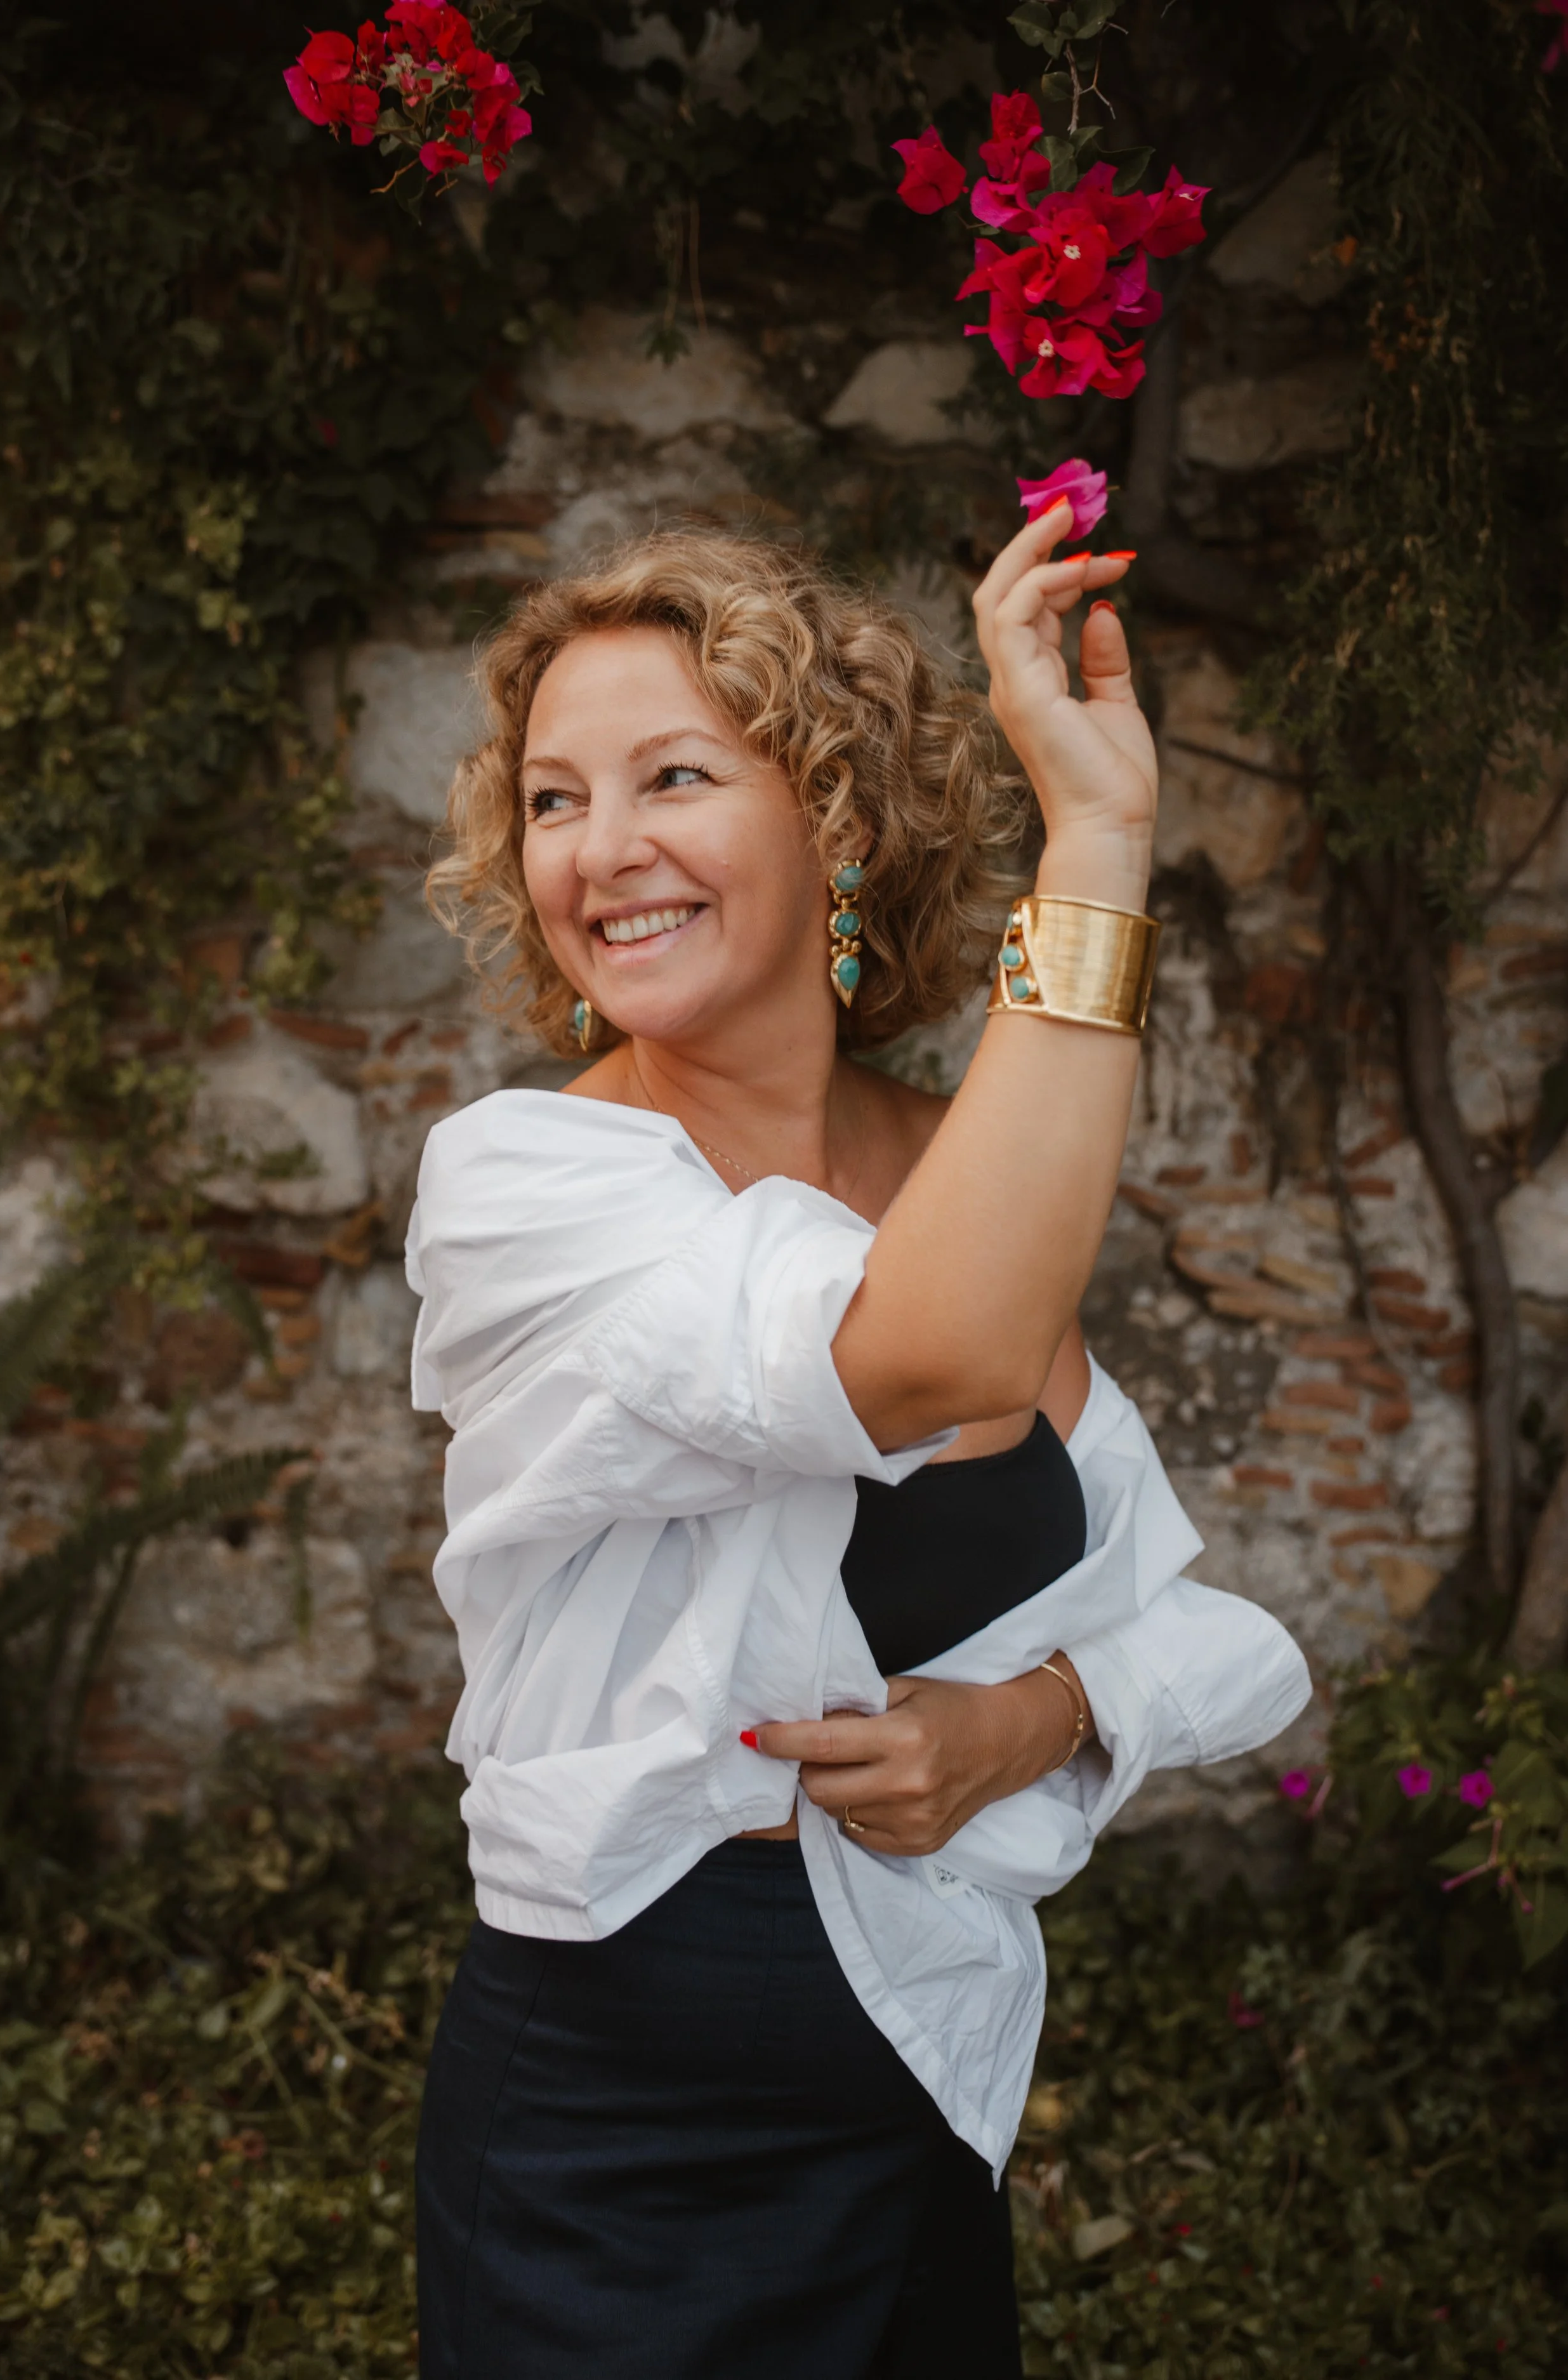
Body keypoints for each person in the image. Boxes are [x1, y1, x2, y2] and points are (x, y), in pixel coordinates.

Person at [405, 505, 1310, 2380]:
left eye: (671, 775)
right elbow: (928, 1343)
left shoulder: (961, 1179)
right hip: (613, 2155)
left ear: (835, 820)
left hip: (920, 2104)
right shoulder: (525, 1188)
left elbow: (1215, 1633)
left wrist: (1019, 1722)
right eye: (554, 800)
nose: (602, 847)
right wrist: (1104, 847)